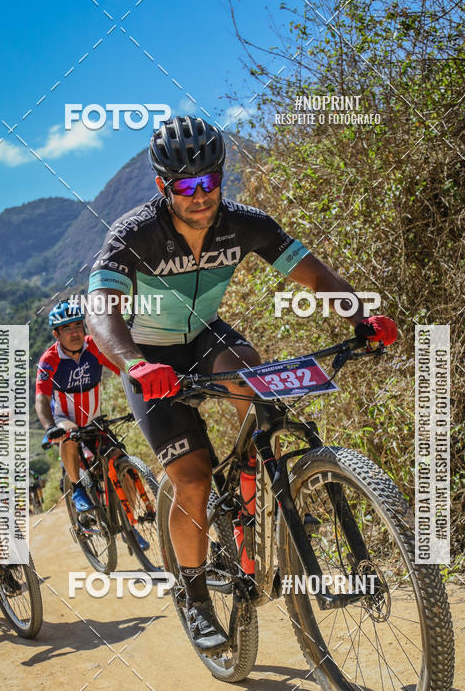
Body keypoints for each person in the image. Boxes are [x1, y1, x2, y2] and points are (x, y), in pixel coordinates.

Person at [85, 115, 398, 654]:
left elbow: (316, 275)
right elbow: (100, 310)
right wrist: (134, 364)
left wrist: (361, 317)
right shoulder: (134, 234)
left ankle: (258, 483)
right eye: (187, 186)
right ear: (163, 186)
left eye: (210, 181)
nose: (201, 195)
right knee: (192, 479)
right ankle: (194, 596)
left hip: (205, 335)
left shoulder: (243, 224)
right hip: (149, 356)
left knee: (252, 373)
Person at [35, 299, 126, 513]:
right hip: (65, 419)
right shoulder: (49, 359)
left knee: (119, 459)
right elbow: (41, 398)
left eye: (78, 324)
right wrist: (49, 427)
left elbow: (122, 370)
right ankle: (77, 488)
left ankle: (132, 521)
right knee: (69, 434)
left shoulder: (95, 346)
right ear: (56, 334)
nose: (75, 332)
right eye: (67, 328)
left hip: (94, 419)